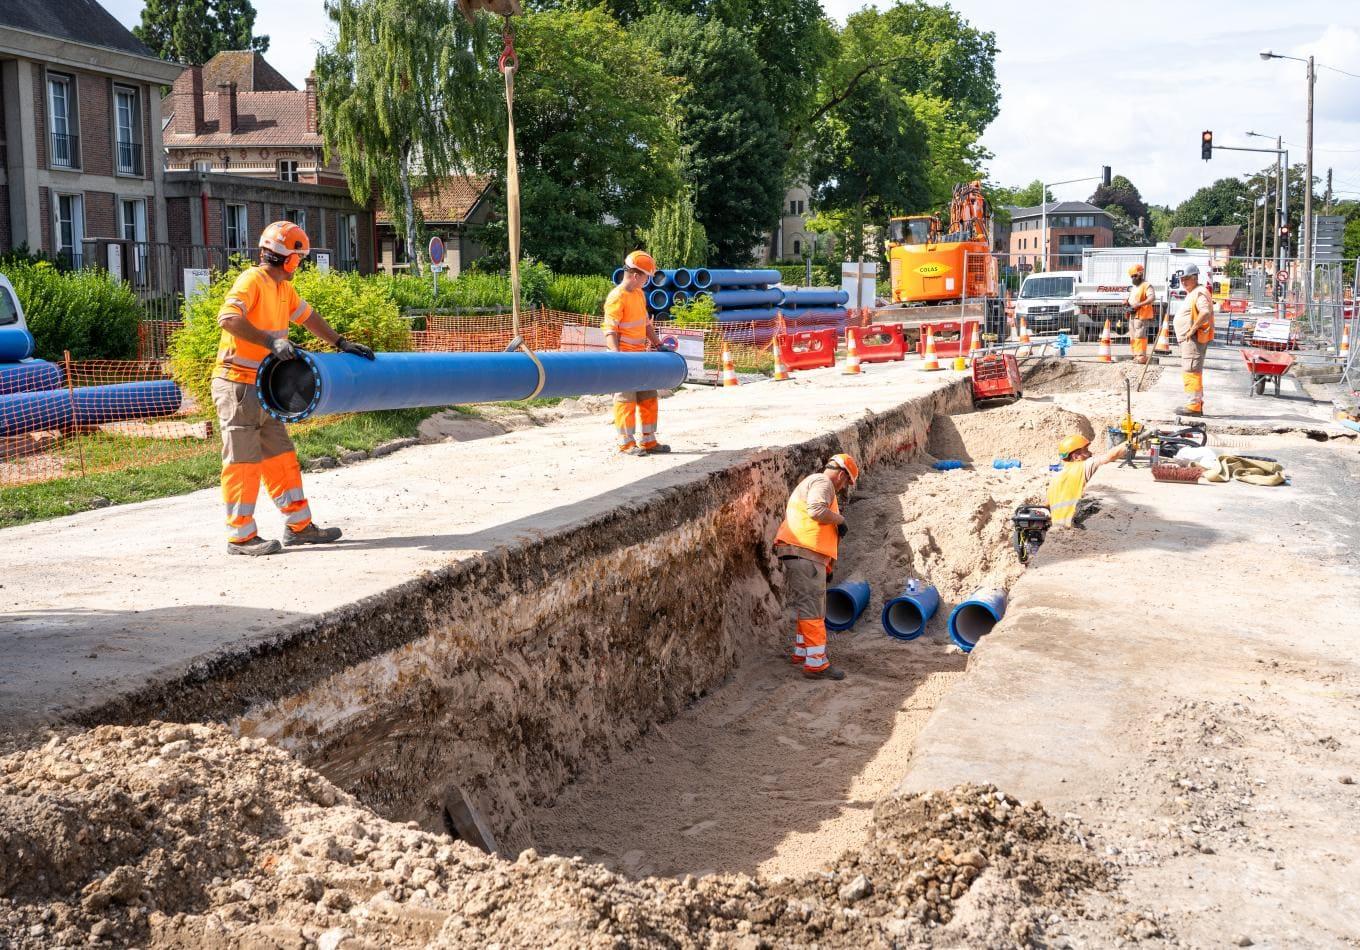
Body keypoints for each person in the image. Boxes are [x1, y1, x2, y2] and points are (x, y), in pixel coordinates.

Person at [213, 221, 375, 556]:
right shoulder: (253, 280)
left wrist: (340, 342)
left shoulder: (282, 289)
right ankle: (240, 537)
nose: (298, 266)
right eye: (298, 259)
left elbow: (308, 317)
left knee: (281, 457)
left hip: (264, 386)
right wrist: (270, 341)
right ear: (289, 260)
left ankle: (299, 527)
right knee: (243, 461)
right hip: (238, 386)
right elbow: (228, 318)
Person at [773, 453, 860, 681]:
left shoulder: (814, 482)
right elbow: (816, 511)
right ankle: (816, 663)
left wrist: (827, 566)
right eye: (846, 483)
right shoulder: (823, 483)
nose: (843, 488)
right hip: (805, 553)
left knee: (807, 605)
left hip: (804, 554)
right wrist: (840, 520)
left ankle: (802, 653)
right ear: (841, 475)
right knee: (814, 609)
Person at [603, 250, 671, 456]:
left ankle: (649, 441)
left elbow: (645, 324)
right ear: (635, 275)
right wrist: (616, 356)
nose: (646, 282)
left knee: (649, 397)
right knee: (626, 400)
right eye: (645, 278)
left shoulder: (639, 294)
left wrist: (658, 344)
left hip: (641, 356)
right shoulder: (617, 297)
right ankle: (626, 443)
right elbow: (610, 329)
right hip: (624, 357)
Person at [1046, 434, 1128, 528]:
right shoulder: (1083, 466)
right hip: (1074, 528)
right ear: (1076, 456)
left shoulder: (1055, 478)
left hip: (1056, 530)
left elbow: (1048, 504)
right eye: (1086, 451)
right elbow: (1110, 456)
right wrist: (1130, 442)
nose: (1090, 453)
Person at [1173, 263, 1215, 416]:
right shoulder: (1193, 292)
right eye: (1182, 279)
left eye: (1186, 279)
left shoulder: (1200, 292)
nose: (1183, 282)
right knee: (1191, 369)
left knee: (1191, 370)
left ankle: (1194, 406)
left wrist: (1192, 329)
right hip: (1189, 340)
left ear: (1195, 277)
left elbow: (1205, 312)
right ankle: (1195, 403)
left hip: (1194, 339)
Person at [1126, 263, 1156, 364]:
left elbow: (1151, 298)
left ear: (1140, 274)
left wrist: (1139, 304)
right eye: (1132, 276)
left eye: (1135, 275)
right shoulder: (1135, 287)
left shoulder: (1146, 285)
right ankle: (1136, 355)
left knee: (1140, 336)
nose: (1133, 278)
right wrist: (1127, 302)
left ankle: (1141, 356)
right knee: (1133, 336)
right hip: (1133, 315)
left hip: (1141, 315)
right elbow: (1132, 299)